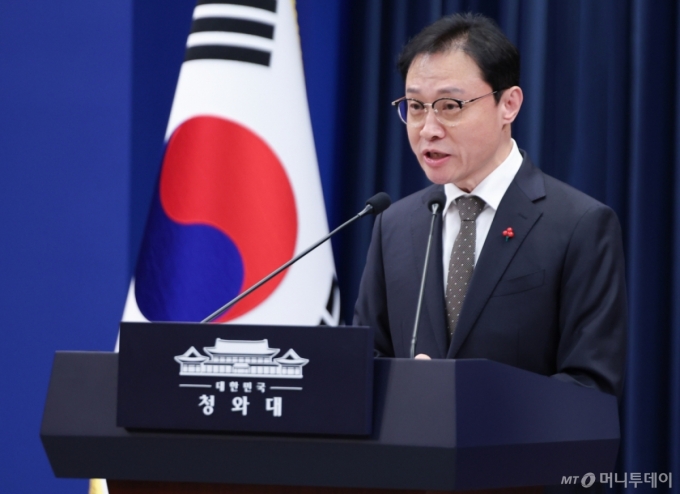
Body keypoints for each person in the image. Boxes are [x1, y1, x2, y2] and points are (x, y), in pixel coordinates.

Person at [353, 13, 626, 397]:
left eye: (450, 105)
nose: (428, 128)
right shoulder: (394, 225)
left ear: (508, 104)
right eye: (415, 106)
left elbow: (590, 386)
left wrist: (467, 401)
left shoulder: (579, 225)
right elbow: (365, 364)